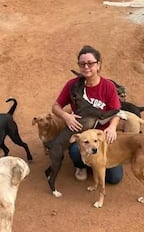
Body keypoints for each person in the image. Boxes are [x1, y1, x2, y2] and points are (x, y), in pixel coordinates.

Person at [52, 45, 123, 183]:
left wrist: (112, 127)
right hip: (82, 133)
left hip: (101, 135)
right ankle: (81, 165)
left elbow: (117, 112)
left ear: (98, 65)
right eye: (82, 64)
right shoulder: (72, 85)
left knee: (114, 178)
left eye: (90, 63)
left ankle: (95, 162)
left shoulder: (108, 86)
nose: (86, 67)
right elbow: (55, 106)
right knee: (75, 152)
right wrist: (66, 116)